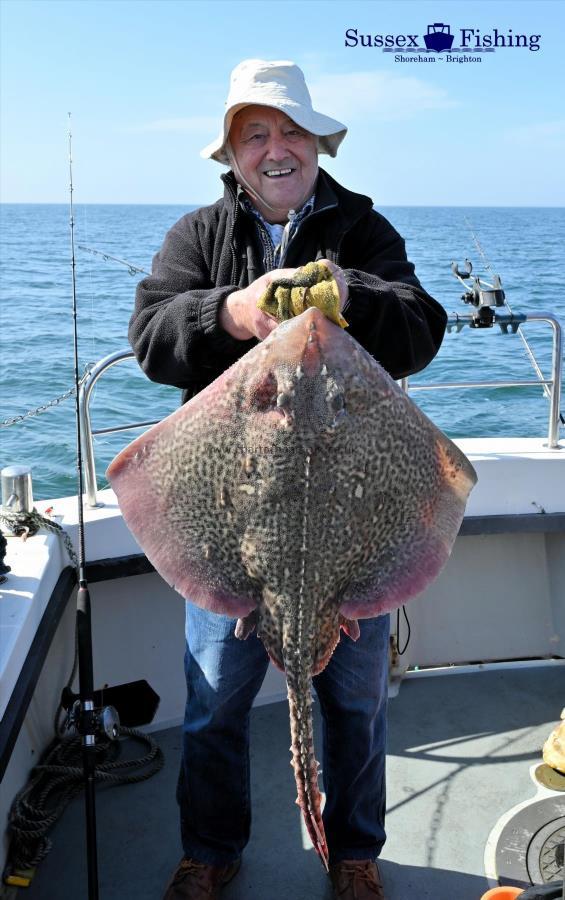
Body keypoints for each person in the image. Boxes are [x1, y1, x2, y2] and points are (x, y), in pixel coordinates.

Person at [129, 59, 447, 900]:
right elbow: (152, 337)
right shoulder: (198, 236)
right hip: (231, 515)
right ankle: (211, 849)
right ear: (231, 156)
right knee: (211, 705)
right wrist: (231, 312)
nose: (276, 149)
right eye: (254, 135)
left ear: (317, 144)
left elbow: (420, 329)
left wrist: (353, 292)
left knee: (355, 707)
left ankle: (353, 852)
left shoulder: (364, 229)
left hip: (353, 514)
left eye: (291, 132)